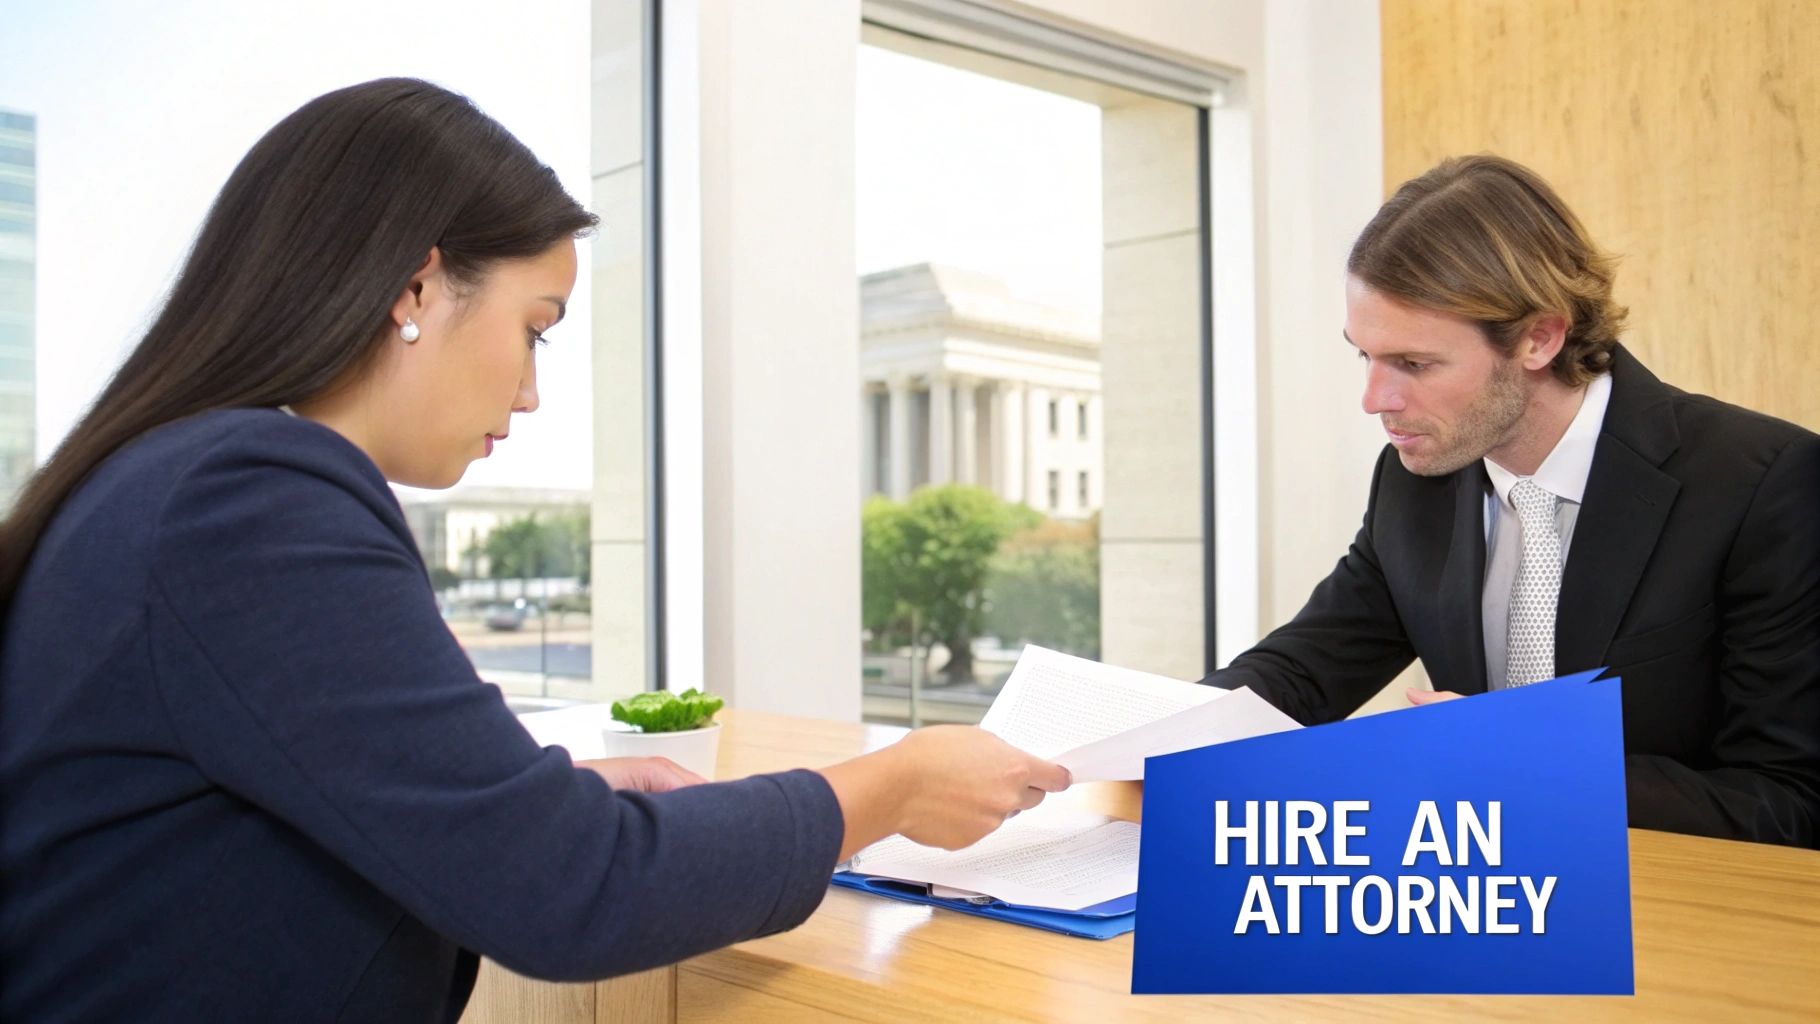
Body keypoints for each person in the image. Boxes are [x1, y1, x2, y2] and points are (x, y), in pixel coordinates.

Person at [0, 79, 1070, 1023]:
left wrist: (528, 797)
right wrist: (885, 789)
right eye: (536, 325)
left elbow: (301, 800)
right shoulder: (252, 500)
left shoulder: (179, 478)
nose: (530, 388)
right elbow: (572, 893)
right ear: (415, 289)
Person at [1203, 155, 1820, 849]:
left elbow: (1787, 801)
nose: (1375, 400)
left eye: (1414, 364)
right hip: (1483, 907)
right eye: (1364, 357)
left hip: (1674, 918)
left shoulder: (1760, 483)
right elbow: (1302, 670)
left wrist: (1521, 763)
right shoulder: (1414, 480)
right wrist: (1134, 736)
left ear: (1539, 337)